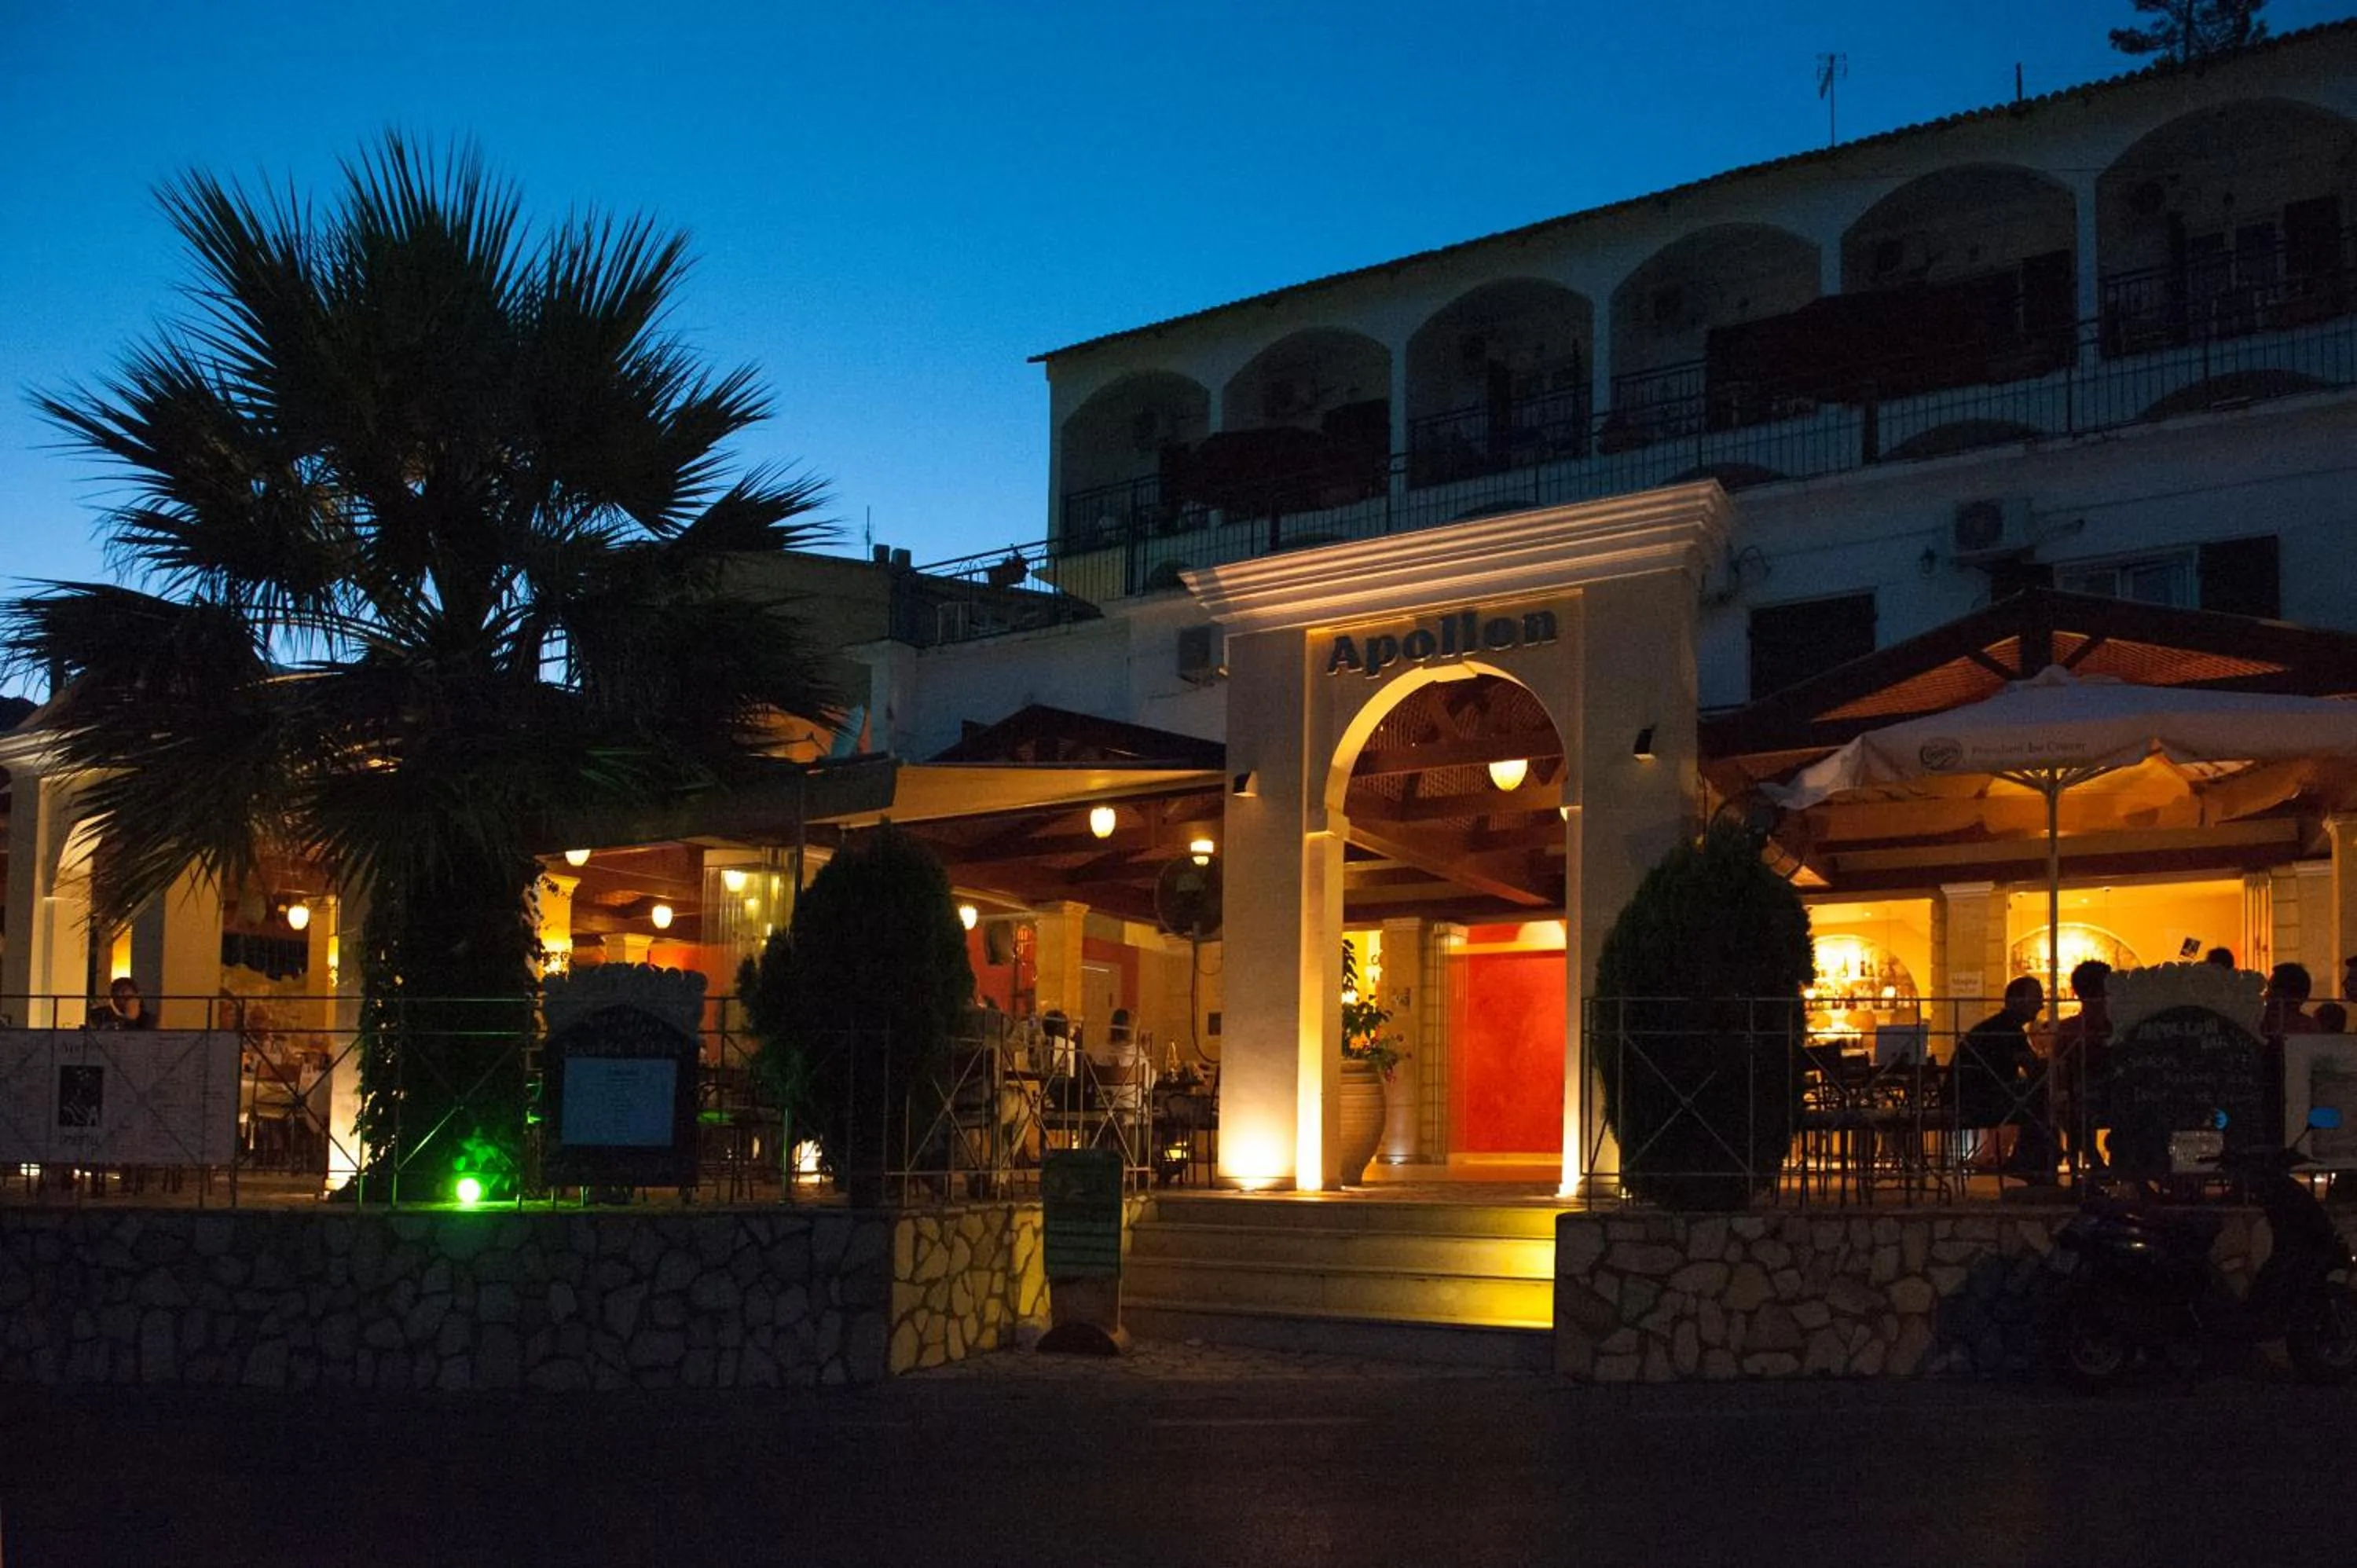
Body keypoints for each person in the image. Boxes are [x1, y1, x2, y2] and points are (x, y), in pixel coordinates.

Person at [1956, 976, 2054, 1176]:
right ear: (2017, 1001)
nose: (2041, 1005)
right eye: (2036, 998)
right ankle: (2032, 1161)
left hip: (1970, 1094)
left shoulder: (2000, 1026)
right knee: (2040, 1098)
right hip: (1978, 1100)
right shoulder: (2008, 1030)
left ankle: (2029, 1159)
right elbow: (2034, 1069)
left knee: (2036, 1097)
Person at [2051, 960, 2113, 1171]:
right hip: (2111, 1097)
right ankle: (2099, 1161)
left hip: (2079, 1099)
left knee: (2069, 1108)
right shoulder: (2118, 1027)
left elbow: (2057, 1067)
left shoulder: (2068, 1029)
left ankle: (2091, 1158)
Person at [93, 976, 157, 1031]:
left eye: (123, 990)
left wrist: (131, 1016)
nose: (119, 994)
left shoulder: (149, 1020)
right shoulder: (102, 1015)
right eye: (115, 991)